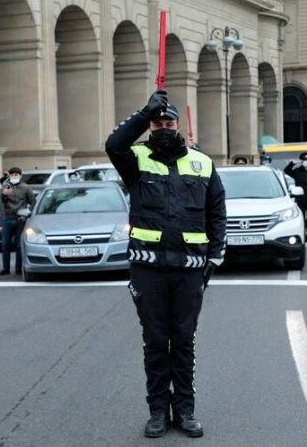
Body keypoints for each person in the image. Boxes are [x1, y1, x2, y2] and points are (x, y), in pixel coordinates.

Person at [105, 90, 227, 439]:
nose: (162, 127)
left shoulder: (202, 163)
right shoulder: (136, 159)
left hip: (190, 270)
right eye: (157, 123)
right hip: (148, 268)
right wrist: (144, 112)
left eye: (167, 122)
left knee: (184, 341)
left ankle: (185, 410)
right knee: (156, 342)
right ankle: (158, 410)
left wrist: (215, 255)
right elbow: (113, 144)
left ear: (179, 126)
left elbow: (216, 212)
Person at [0, 167, 35, 276]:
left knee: (19, 245)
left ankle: (19, 268)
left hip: (20, 219)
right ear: (9, 176)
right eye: (12, 175)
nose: (14, 177)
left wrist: (27, 214)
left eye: (16, 175)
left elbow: (33, 202)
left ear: (20, 176)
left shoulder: (26, 187)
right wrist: (3, 194)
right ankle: (6, 268)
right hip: (7, 218)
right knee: (5, 244)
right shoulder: (5, 187)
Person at [284, 152, 307, 242]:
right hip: (300, 199)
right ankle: (302, 234)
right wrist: (292, 163)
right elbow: (286, 171)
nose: (306, 162)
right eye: (304, 160)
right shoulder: (297, 171)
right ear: (302, 161)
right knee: (301, 218)